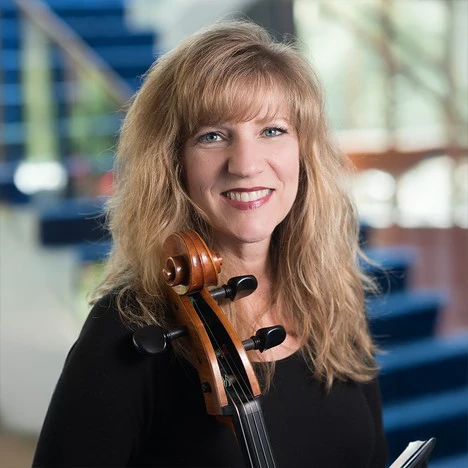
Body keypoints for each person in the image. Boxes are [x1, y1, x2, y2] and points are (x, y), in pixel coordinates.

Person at [33, 20, 388, 467]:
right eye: (213, 136)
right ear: (173, 165)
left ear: (304, 153)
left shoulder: (332, 301)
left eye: (272, 130)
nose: (245, 165)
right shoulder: (129, 333)